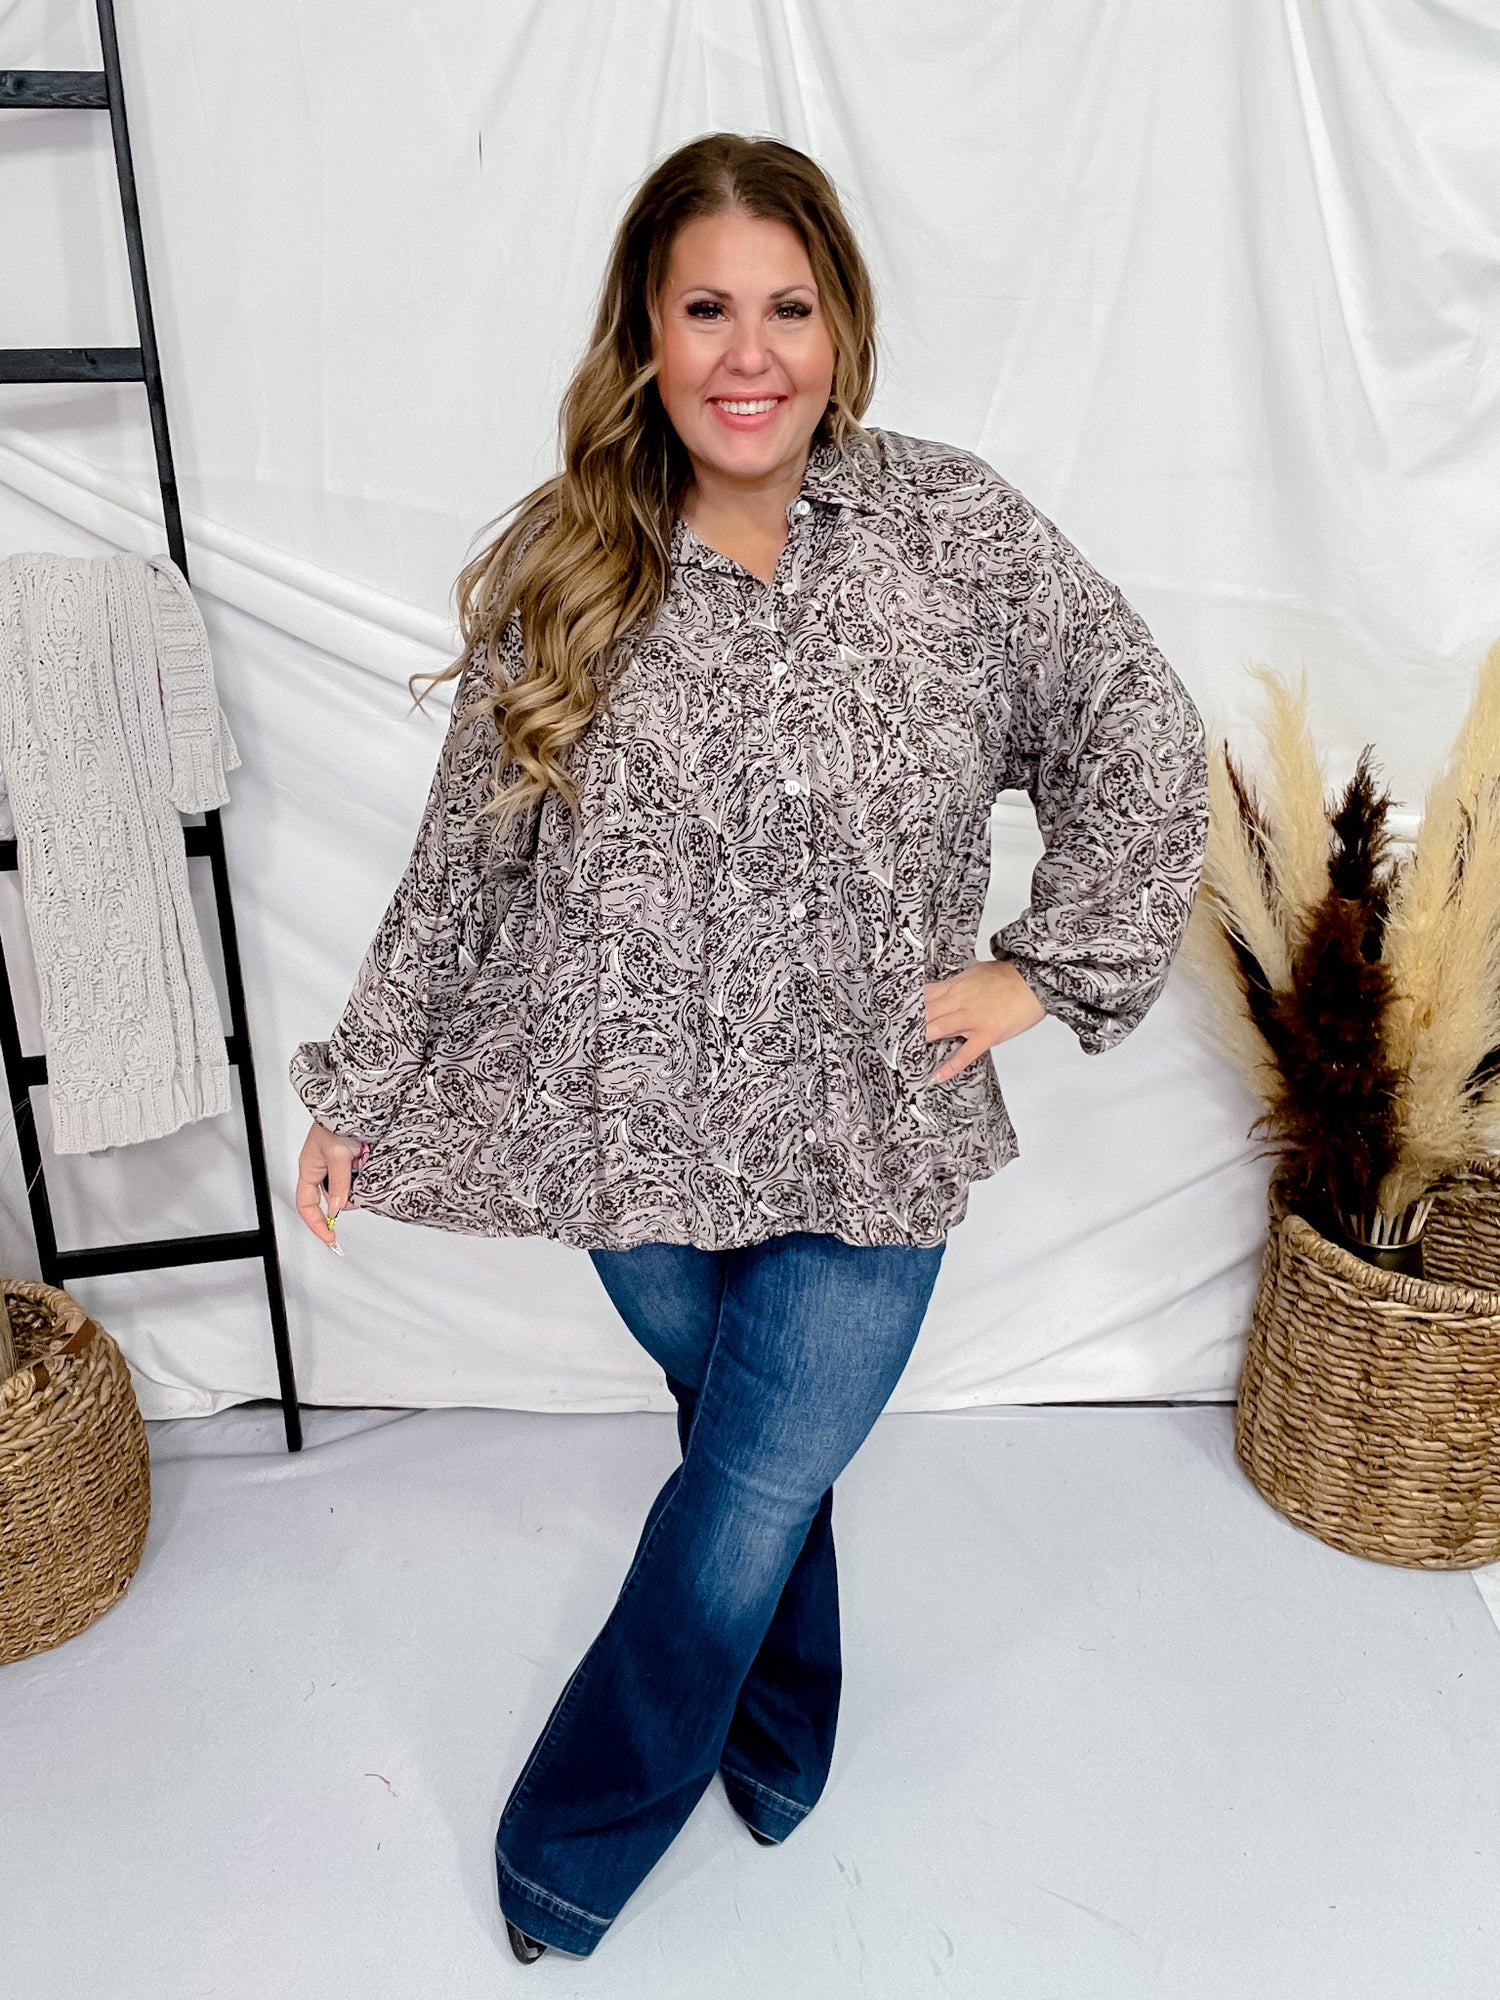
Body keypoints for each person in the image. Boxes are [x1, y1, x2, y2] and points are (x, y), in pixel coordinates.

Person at [288, 132, 1208, 1962]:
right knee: (749, 1454)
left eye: (788, 308)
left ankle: (573, 1846)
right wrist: (363, 1086)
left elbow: (1138, 724)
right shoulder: (569, 566)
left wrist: (1043, 971)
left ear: (841, 326)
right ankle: (785, 1729)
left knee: (752, 1483)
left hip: (877, 1130)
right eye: (706, 307)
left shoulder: (952, 534)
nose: (749, 353)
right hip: (634, 1140)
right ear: (645, 330)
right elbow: (466, 862)